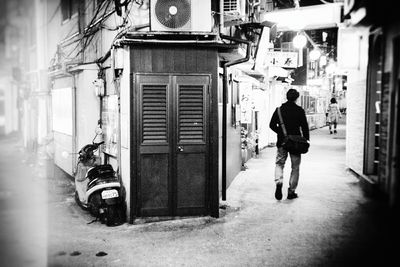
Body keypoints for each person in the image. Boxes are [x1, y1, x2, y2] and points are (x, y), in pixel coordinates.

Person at [269, 89, 310, 200]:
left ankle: (279, 182)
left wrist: (280, 132)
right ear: (296, 98)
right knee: (295, 167)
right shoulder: (299, 110)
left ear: (287, 97)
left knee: (279, 164)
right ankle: (291, 191)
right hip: (296, 143)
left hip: (282, 142)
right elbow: (305, 127)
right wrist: (306, 140)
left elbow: (272, 125)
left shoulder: (279, 110)